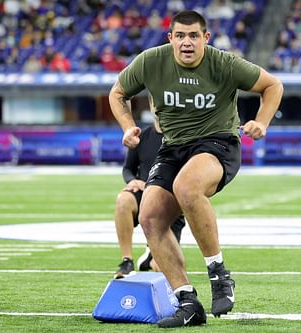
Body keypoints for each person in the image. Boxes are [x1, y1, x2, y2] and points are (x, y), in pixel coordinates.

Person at [108, 10, 283, 328]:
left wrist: (262, 122)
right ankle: (187, 301)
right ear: (170, 38)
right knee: (149, 217)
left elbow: (272, 86)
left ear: (206, 38)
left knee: (187, 187)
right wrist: (127, 126)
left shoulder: (224, 63)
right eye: (180, 36)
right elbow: (118, 93)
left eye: (193, 36)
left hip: (217, 144)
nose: (186, 42)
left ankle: (219, 274)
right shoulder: (151, 61)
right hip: (172, 147)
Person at [114, 119, 186, 279]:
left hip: (170, 200)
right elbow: (128, 169)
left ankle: (151, 255)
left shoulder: (181, 136)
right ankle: (127, 261)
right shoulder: (142, 136)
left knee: (161, 268)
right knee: (123, 199)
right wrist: (132, 180)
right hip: (143, 193)